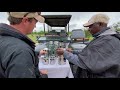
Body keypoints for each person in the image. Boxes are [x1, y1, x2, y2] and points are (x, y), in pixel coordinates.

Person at [56, 13, 120, 78]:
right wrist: (73, 51)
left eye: (90, 26)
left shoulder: (106, 40)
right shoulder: (103, 38)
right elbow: (90, 53)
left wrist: (64, 53)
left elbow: (82, 62)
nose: (88, 29)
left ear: (100, 24)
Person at [0, 12, 48, 78]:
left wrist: (35, 54)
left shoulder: (3, 38)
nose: (35, 26)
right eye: (35, 22)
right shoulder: (21, 51)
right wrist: (44, 76)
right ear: (25, 20)